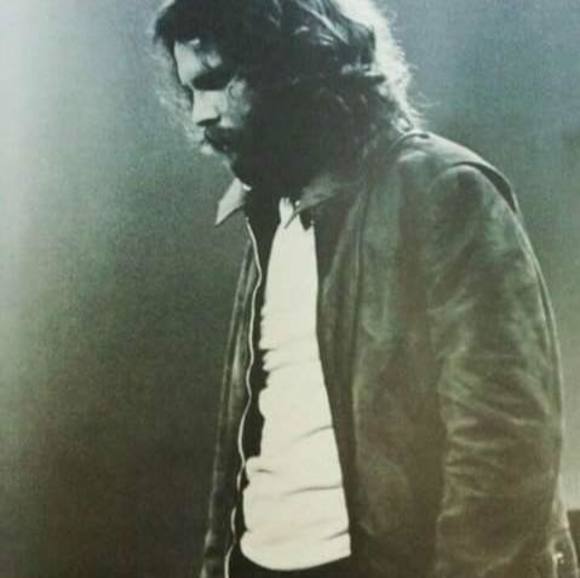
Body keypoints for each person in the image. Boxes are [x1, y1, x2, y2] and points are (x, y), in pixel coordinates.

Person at [151, 1, 579, 577]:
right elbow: (249, 443)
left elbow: (505, 448)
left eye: (217, 81)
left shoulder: (444, 190)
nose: (201, 113)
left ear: (292, 63)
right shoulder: (271, 211)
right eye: (190, 91)